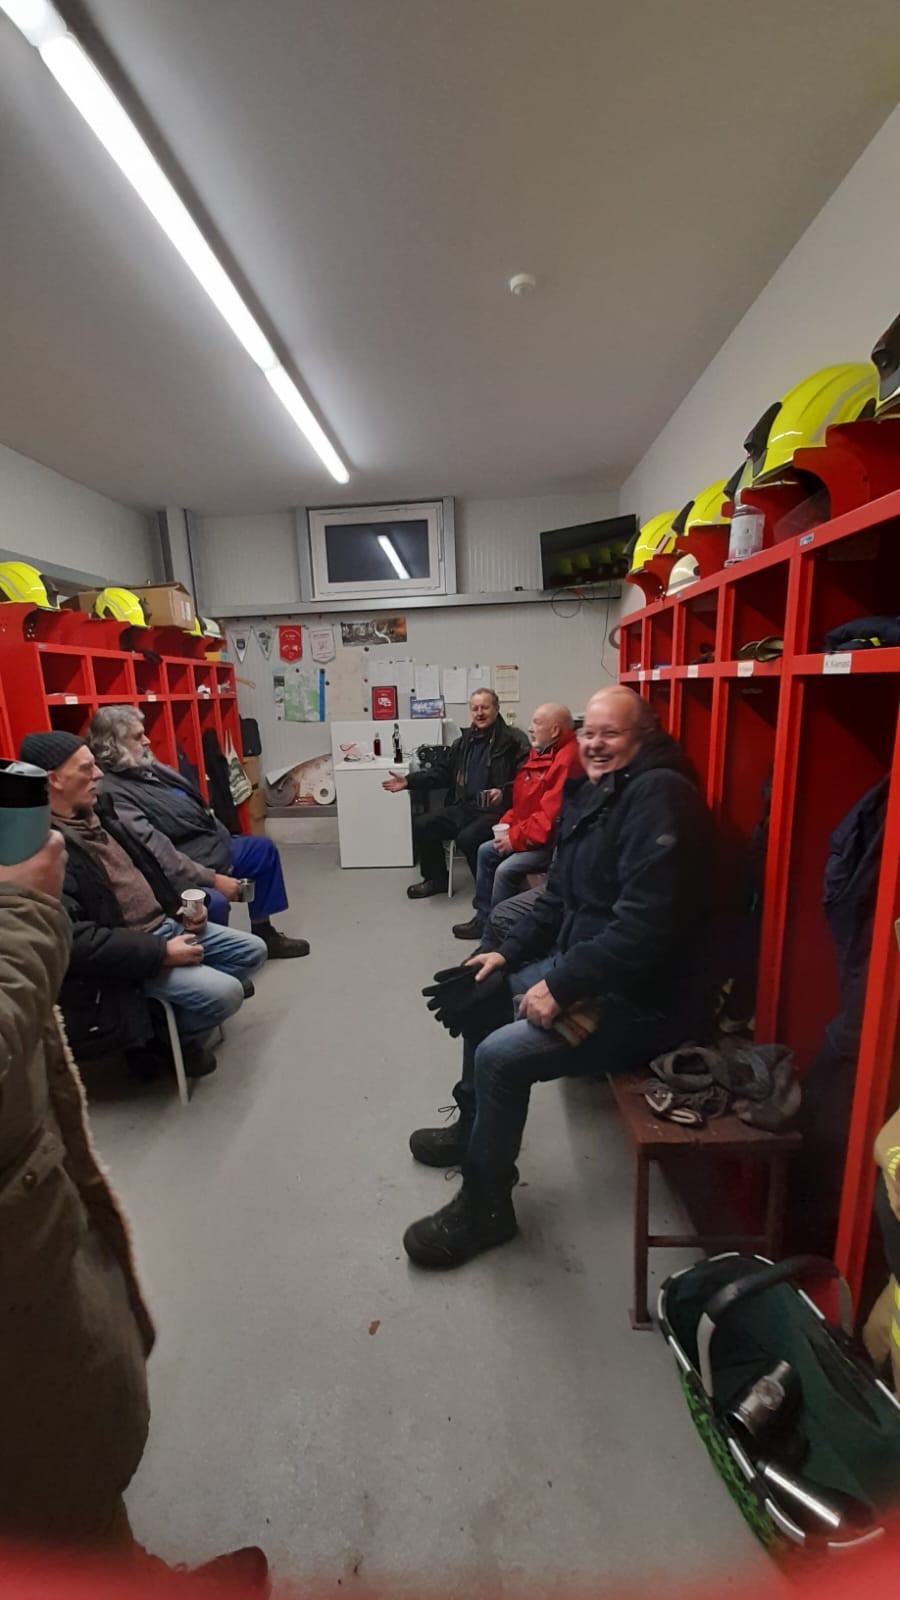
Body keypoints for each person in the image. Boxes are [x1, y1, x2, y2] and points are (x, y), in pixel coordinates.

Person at [0, 831, 268, 1586]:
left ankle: (136, 1572)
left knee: (67, 1482)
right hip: (19, 1263)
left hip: (31, 1242)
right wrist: (24, 908)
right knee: (50, 1476)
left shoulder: (104, 816)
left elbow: (157, 865)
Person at [403, 686, 716, 1269]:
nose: (595, 743)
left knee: (500, 1056)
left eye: (610, 733)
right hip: (589, 967)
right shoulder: (597, 792)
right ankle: (472, 1128)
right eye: (588, 732)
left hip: (641, 997)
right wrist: (503, 956)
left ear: (642, 736)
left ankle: (486, 1206)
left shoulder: (660, 800)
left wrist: (561, 986)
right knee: (478, 995)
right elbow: (557, 900)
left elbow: (643, 931)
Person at [19, 731, 268, 1080]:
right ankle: (159, 1037)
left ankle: (155, 1025)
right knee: (226, 994)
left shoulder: (100, 813)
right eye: (86, 768)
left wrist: (178, 907)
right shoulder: (43, 851)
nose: (99, 774)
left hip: (162, 926)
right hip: (129, 955)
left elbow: (146, 870)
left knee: (253, 952)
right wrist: (160, 952)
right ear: (54, 780)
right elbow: (75, 939)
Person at [88, 705, 309, 959]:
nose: (147, 740)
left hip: (210, 847)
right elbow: (159, 854)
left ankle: (264, 932)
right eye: (138, 736)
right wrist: (214, 880)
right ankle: (214, 961)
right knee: (215, 902)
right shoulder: (113, 792)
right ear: (114, 745)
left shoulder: (144, 767)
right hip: (181, 867)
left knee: (261, 850)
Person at [451, 702, 582, 940]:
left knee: (504, 870)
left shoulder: (566, 760)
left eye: (536, 723)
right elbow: (524, 804)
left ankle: (497, 935)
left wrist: (514, 839)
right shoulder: (541, 752)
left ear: (554, 730)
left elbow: (549, 819)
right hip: (531, 833)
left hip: (550, 843)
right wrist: (506, 825)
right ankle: (483, 918)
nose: (530, 728)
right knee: (485, 850)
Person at [383, 689, 529, 898]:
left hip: (498, 812)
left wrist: (503, 793)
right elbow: (443, 773)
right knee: (423, 824)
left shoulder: (514, 740)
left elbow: (526, 779)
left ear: (496, 709)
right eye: (475, 708)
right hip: (465, 806)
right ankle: (436, 880)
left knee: (468, 838)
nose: (479, 713)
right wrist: (409, 781)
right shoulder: (464, 742)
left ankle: (491, 892)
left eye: (485, 707)